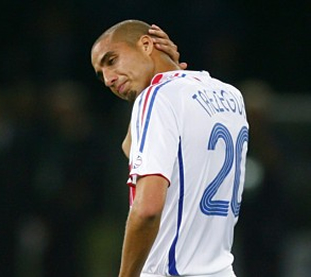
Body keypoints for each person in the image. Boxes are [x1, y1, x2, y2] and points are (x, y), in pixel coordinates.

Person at [90, 20, 249, 277]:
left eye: (111, 60)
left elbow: (148, 209)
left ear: (145, 44)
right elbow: (130, 148)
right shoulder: (230, 94)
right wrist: (166, 69)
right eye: (101, 74)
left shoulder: (157, 99)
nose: (108, 79)